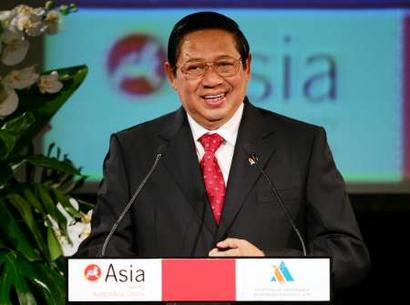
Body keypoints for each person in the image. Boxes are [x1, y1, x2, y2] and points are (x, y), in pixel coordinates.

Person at [77, 11, 370, 294]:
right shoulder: (134, 150)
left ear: (247, 67)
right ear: (171, 75)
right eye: (194, 67)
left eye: (225, 64)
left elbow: (347, 254)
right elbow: (103, 251)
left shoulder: (301, 144)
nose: (212, 79)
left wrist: (267, 267)